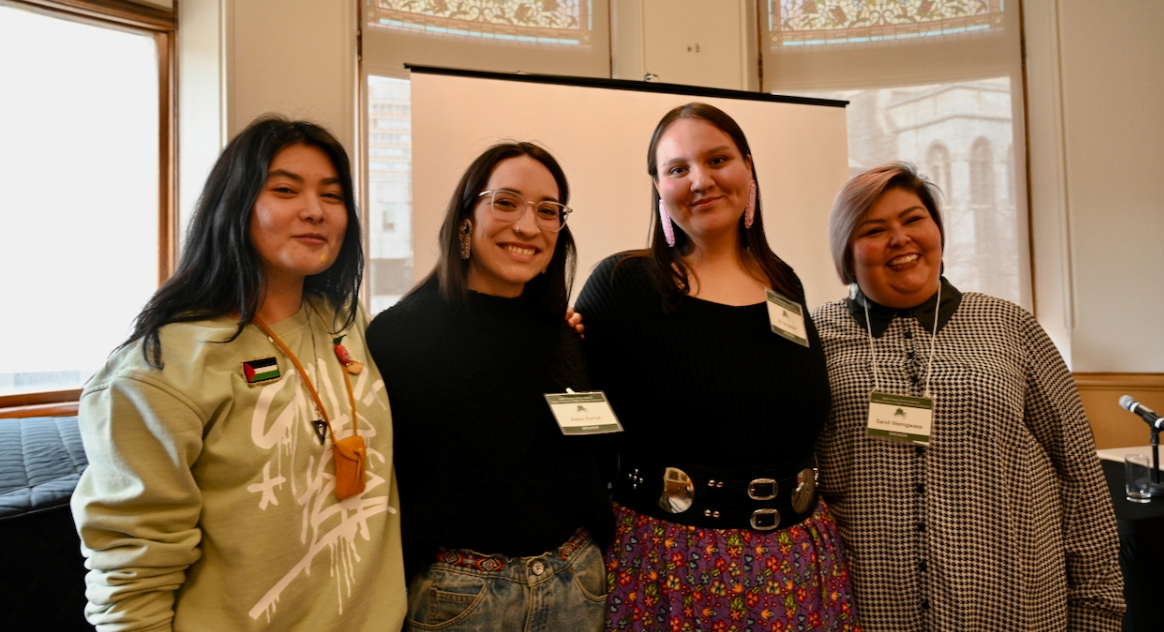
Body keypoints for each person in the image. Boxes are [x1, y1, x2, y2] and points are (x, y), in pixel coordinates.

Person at [70, 116, 407, 632]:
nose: (314, 211)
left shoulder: (346, 320)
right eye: (285, 190)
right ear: (235, 204)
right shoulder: (157, 373)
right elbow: (131, 578)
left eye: (332, 196)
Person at [575, 103, 859, 631]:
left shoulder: (784, 283)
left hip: (797, 564)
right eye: (678, 169)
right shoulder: (622, 285)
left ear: (748, 169)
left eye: (718, 159)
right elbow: (580, 422)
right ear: (658, 187)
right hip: (668, 566)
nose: (701, 181)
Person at [812, 162, 1124, 630]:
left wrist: (1097, 608)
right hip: (872, 608)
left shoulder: (1009, 326)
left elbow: (1077, 472)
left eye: (914, 219)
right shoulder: (813, 337)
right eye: (875, 229)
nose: (900, 238)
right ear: (846, 252)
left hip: (1014, 603)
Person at [366, 142, 613, 631]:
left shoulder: (564, 334)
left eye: (548, 210)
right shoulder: (399, 335)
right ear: (465, 218)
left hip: (577, 585)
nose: (527, 226)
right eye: (505, 202)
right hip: (460, 596)